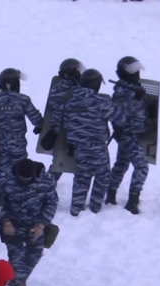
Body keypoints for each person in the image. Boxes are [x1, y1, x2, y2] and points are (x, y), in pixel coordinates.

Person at [51, 69, 125, 216]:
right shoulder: (101, 102)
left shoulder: (70, 102)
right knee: (102, 176)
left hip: (78, 148)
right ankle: (95, 208)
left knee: (82, 176)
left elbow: (64, 123)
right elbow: (120, 118)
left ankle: (76, 208)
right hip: (97, 147)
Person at [0, 158, 58, 286]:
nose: (24, 182)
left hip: (35, 226)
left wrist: (42, 225)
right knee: (16, 261)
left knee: (34, 256)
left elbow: (51, 202)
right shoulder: (6, 179)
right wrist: (5, 222)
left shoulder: (46, 179)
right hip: (13, 226)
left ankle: (19, 280)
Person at [0, 68, 43, 182]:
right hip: (18, 143)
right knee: (20, 171)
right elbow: (37, 120)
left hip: (0, 143)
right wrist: (39, 126)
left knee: (2, 172)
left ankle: (2, 195)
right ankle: (18, 196)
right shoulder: (22, 99)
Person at [107, 56, 149, 215]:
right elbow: (121, 114)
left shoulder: (131, 87)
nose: (137, 74)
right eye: (134, 71)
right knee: (142, 166)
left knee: (121, 164)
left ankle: (110, 195)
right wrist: (137, 100)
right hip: (127, 134)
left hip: (132, 133)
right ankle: (132, 201)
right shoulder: (122, 91)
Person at [42, 58, 84, 182]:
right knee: (73, 165)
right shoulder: (74, 90)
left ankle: (47, 185)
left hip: (60, 132)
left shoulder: (58, 88)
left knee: (58, 164)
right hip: (73, 132)